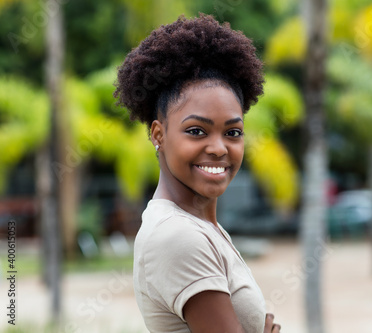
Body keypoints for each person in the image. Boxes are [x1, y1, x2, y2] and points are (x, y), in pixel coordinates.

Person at [114, 14, 281, 333]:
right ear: (158, 135)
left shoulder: (203, 228)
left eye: (232, 133)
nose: (219, 148)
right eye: (196, 130)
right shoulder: (179, 236)